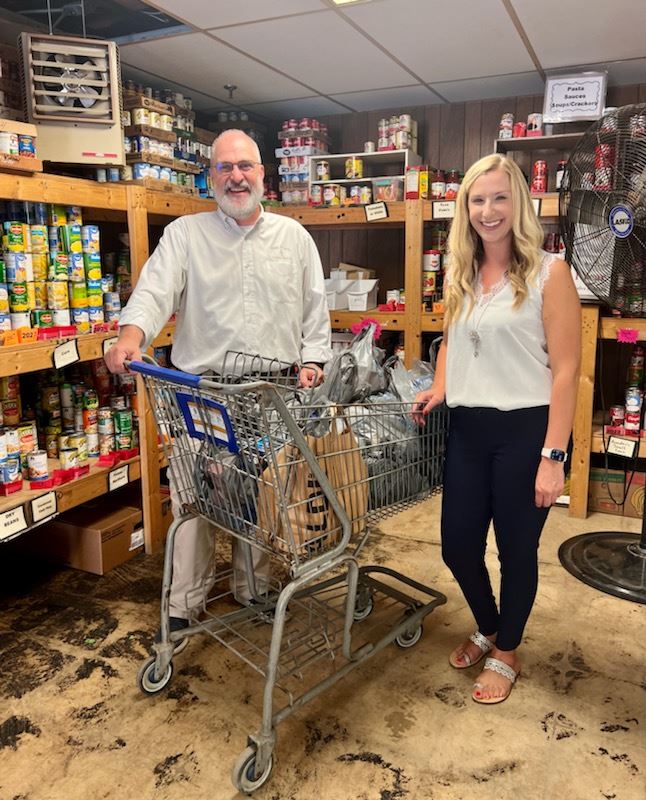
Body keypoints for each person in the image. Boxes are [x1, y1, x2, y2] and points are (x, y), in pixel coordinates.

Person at [105, 129, 332, 640]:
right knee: (195, 501)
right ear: (210, 177)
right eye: (225, 167)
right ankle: (185, 603)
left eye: (245, 166)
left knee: (259, 495)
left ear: (262, 176)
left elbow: (315, 310)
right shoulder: (186, 234)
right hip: (200, 393)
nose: (236, 176)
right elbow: (152, 292)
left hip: (272, 392)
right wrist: (129, 336)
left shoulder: (294, 238)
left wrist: (314, 359)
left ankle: (253, 588)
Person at [413, 153, 580, 704]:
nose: (489, 211)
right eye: (478, 200)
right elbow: (451, 342)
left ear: (520, 204)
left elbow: (567, 371)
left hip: (527, 431)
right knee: (458, 544)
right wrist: (441, 385)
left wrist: (553, 456)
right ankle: (488, 624)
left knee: (514, 550)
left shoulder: (550, 273)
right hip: (468, 428)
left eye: (500, 197)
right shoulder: (459, 272)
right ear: (466, 209)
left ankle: (507, 650)